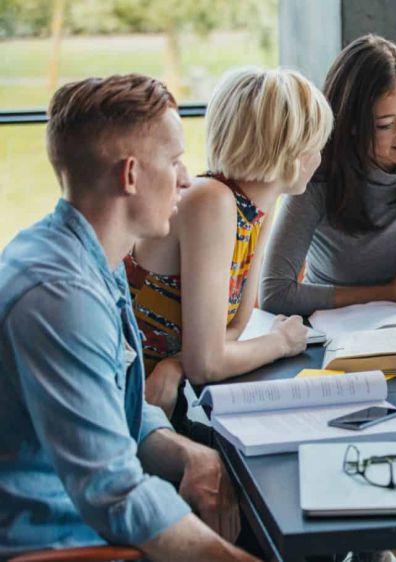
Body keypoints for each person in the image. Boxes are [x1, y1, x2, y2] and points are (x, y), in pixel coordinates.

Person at [0, 74, 256, 560]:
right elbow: (117, 495)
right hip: (60, 543)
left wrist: (187, 451)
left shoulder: (89, 255)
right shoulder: (61, 296)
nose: (187, 177)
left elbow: (114, 411)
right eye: (175, 160)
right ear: (131, 175)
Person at [125, 67, 332, 441]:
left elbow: (235, 325)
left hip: (159, 400)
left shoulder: (257, 208)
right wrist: (281, 342)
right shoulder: (211, 201)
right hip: (124, 407)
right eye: (316, 143)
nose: (319, 155)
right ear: (292, 150)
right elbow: (208, 362)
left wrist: (176, 364)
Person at [260, 34, 396, 317]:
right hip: (330, 332)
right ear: (351, 125)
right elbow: (274, 293)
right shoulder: (317, 174)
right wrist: (391, 293)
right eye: (385, 125)